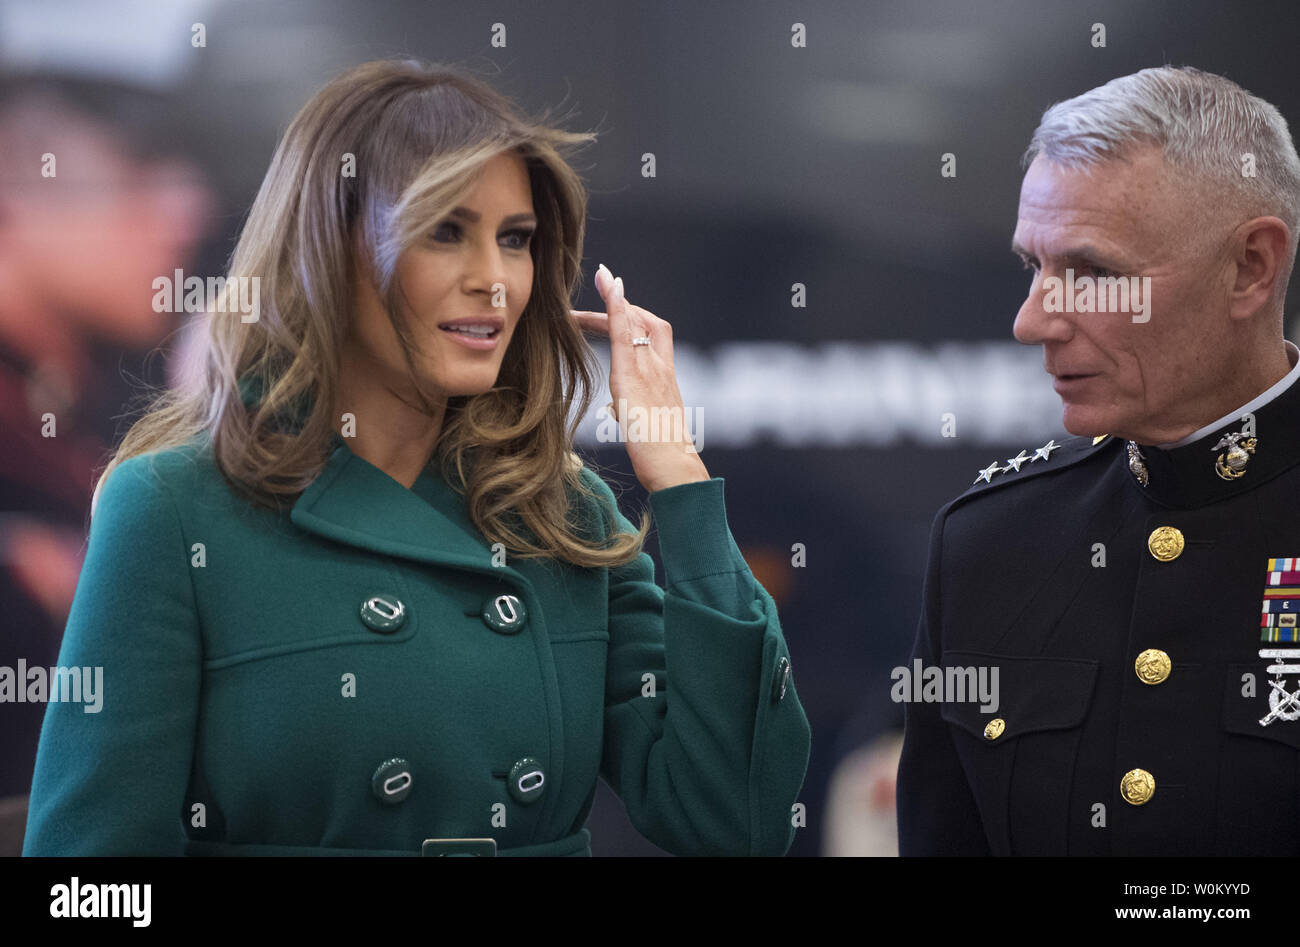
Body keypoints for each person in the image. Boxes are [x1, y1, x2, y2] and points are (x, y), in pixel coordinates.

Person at [22, 58, 810, 857]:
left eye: (516, 240)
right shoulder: (173, 507)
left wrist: (678, 474)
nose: (495, 280)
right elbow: (86, 886)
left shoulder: (555, 510)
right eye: (446, 231)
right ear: (331, 249)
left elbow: (734, 820)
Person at [897, 65, 1300, 855]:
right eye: (1033, 267)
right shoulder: (988, 543)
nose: (1031, 321)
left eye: (1093, 273)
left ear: (1250, 266)